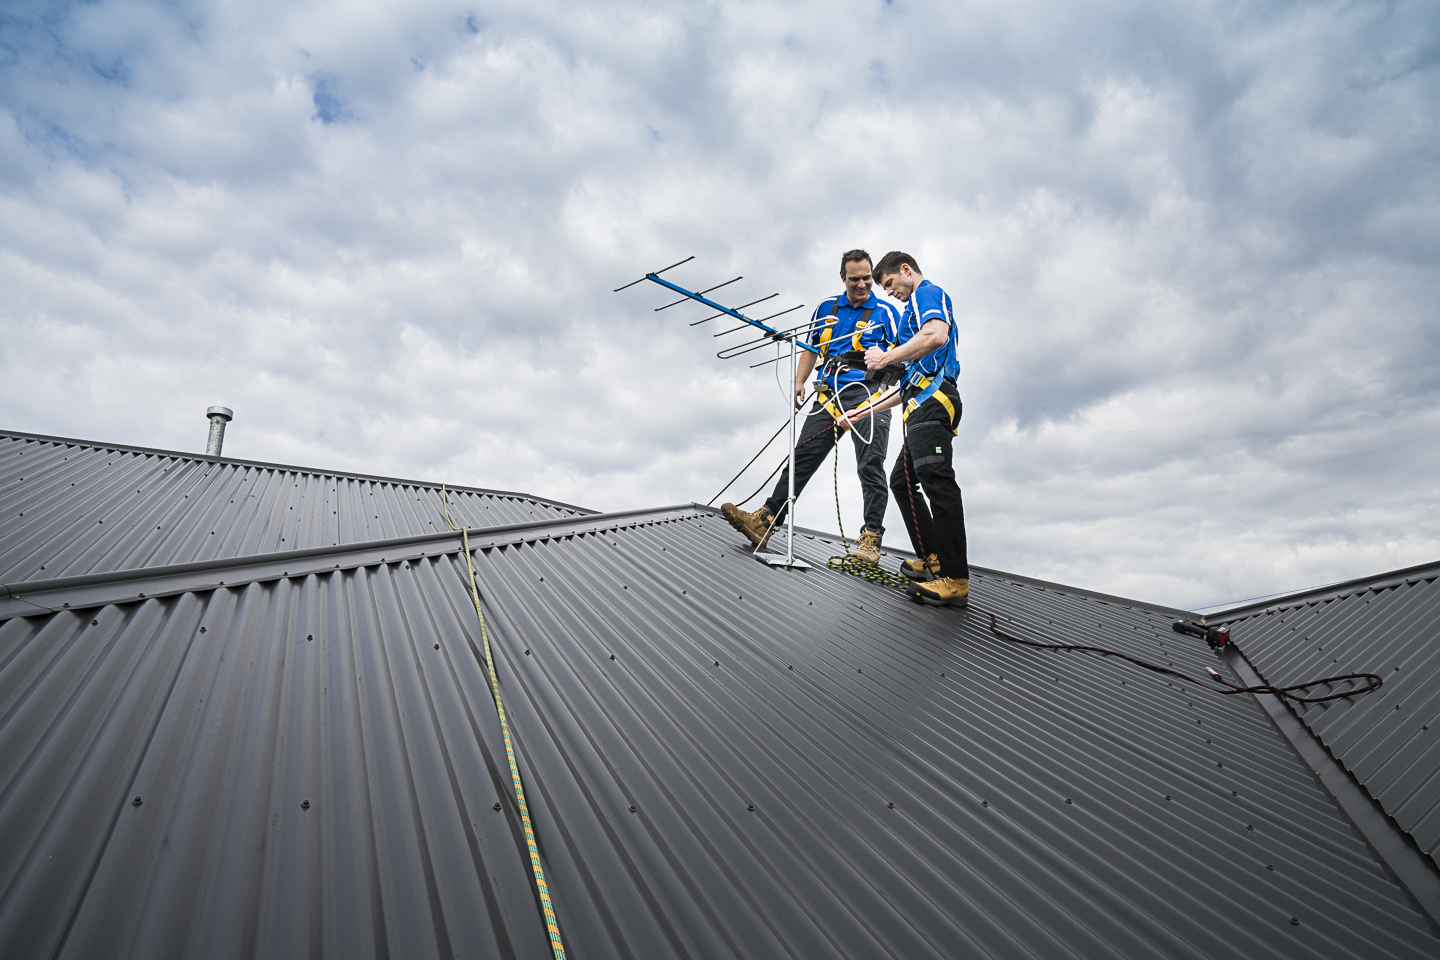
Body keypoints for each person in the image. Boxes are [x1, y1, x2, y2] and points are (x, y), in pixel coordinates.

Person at [721, 249, 899, 563]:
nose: (862, 285)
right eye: (855, 279)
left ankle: (870, 540)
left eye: (867, 279)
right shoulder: (826, 308)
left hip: (869, 394)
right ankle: (766, 521)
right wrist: (799, 380)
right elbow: (811, 347)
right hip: (828, 394)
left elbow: (903, 356)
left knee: (869, 465)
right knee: (802, 456)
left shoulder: (887, 311)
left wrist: (885, 396)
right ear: (843, 277)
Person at [841, 251, 970, 606]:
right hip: (918, 404)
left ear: (906, 270)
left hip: (935, 403)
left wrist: (885, 357)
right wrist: (859, 413)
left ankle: (955, 577)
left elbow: (937, 335)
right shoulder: (912, 314)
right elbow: (905, 387)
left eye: (889, 284)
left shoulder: (927, 293)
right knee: (901, 481)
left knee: (937, 483)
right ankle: (934, 560)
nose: (889, 292)